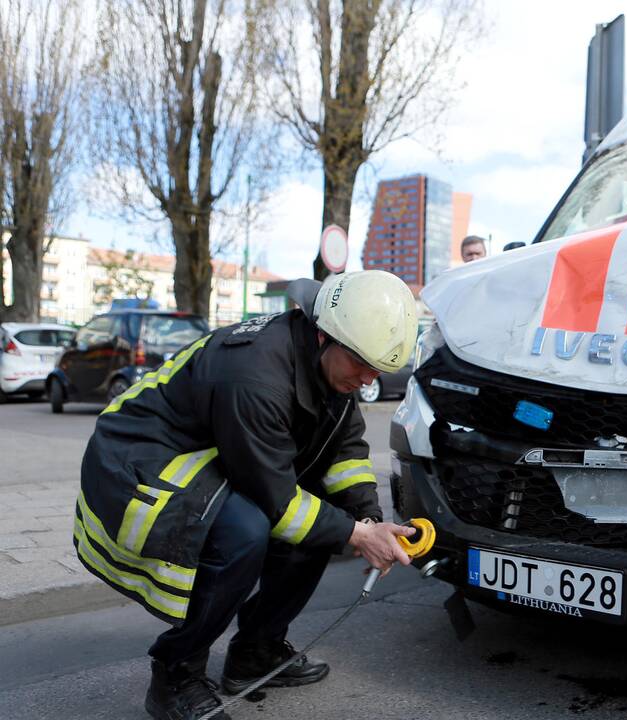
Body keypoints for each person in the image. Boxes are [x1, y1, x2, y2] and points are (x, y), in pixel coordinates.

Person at [72, 271, 419, 720]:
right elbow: (275, 500)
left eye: (379, 370)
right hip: (139, 460)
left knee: (324, 524)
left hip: (211, 456)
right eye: (362, 365)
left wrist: (368, 521)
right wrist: (355, 535)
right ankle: (175, 675)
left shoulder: (335, 363)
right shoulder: (255, 375)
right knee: (244, 531)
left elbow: (346, 450)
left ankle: (256, 652)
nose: (368, 379)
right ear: (324, 334)